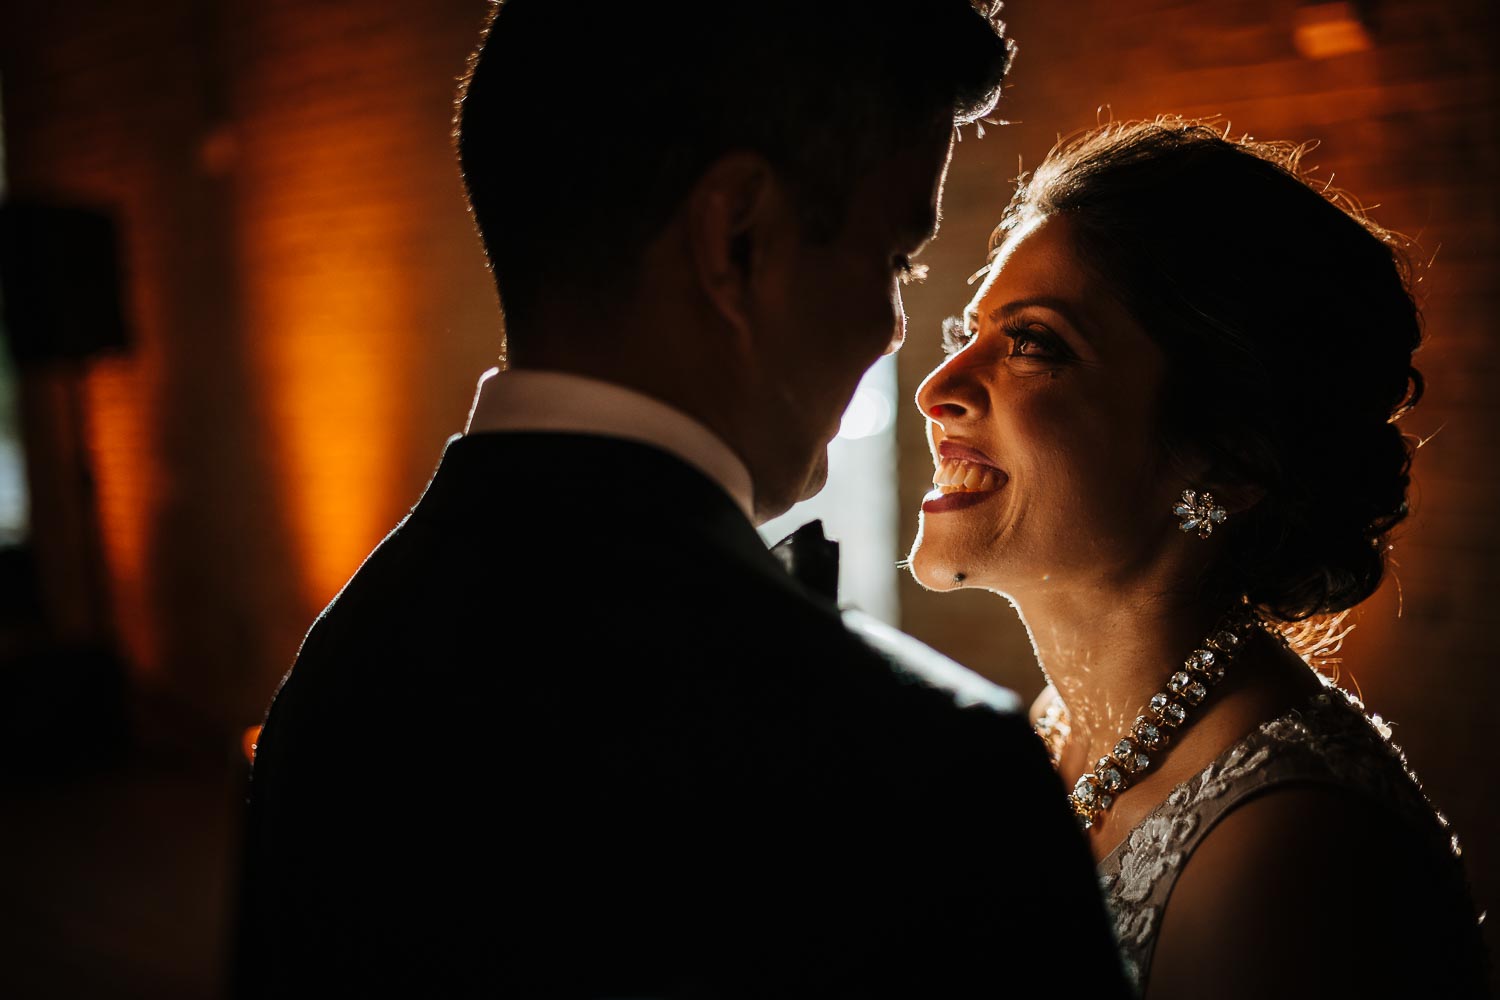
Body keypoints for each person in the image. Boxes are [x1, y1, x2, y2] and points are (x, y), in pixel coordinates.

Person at [232, 3, 1132, 996]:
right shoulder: (929, 769)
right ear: (737, 241)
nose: (892, 333)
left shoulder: (328, 685)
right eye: (893, 260)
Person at [909, 116, 1489, 998]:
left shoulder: (1285, 852)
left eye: (1033, 344)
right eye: (969, 331)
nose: (935, 388)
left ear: (1225, 456)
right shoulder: (1058, 728)